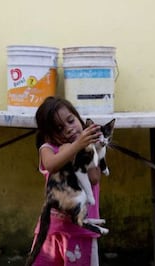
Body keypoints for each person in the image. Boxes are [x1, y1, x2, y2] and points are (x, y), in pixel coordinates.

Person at [30, 96, 103, 266]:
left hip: (81, 231)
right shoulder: (49, 149)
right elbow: (51, 165)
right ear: (48, 135)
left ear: (79, 118)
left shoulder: (88, 148)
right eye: (59, 128)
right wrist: (76, 145)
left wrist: (89, 149)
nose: (69, 129)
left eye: (71, 121)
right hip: (50, 230)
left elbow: (94, 178)